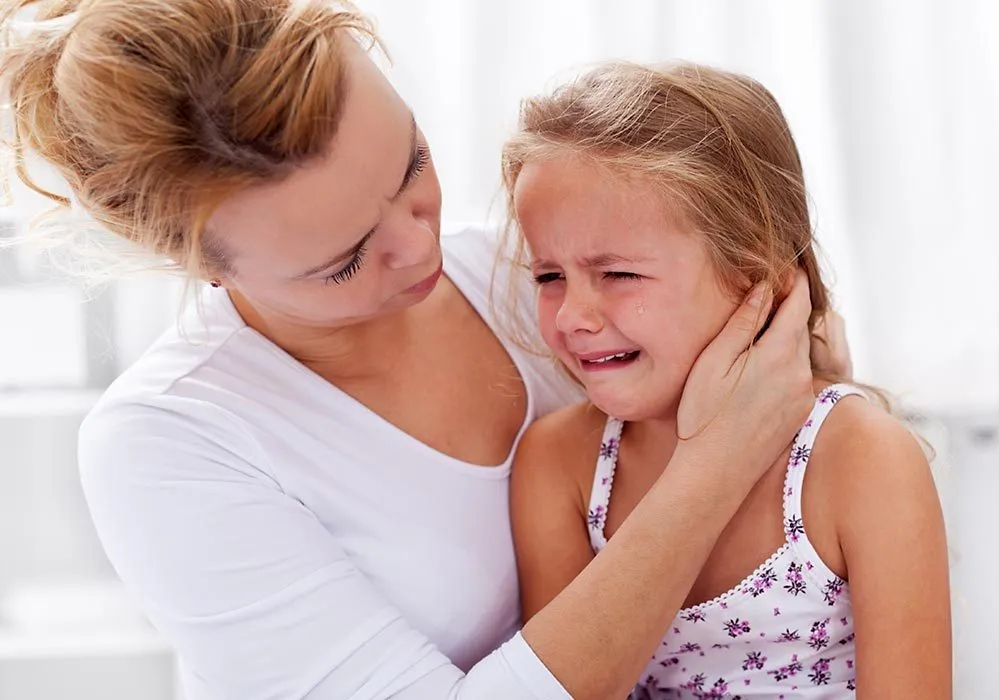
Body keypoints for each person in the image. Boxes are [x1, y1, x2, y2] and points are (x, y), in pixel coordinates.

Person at [1, 2, 847, 698]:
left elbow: (800, 411)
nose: (420, 245)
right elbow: (745, 431)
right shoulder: (171, 444)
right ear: (193, 265)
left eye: (412, 164)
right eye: (344, 259)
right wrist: (718, 463)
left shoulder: (543, 282)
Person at [504, 61, 952, 698]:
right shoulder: (560, 465)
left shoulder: (861, 459)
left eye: (618, 274)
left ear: (752, 274)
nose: (573, 316)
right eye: (549, 277)